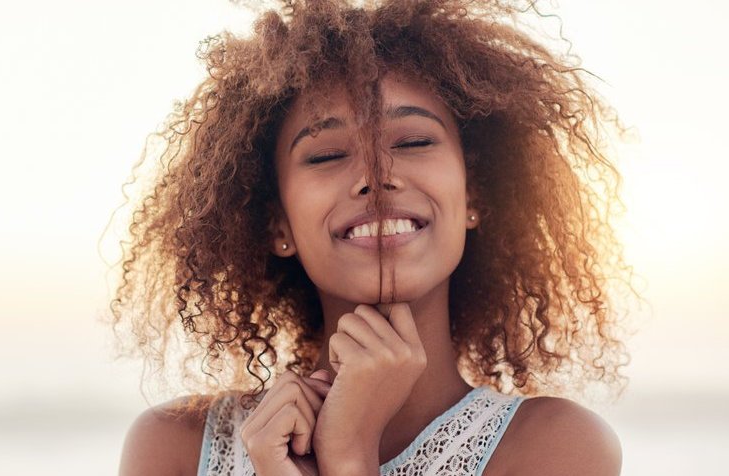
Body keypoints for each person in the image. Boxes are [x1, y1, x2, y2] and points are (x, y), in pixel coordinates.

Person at [113, 0, 636, 474]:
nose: (376, 175)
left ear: (474, 194)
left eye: (412, 141)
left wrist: (350, 455)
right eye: (326, 154)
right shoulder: (175, 449)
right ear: (278, 224)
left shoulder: (556, 447)